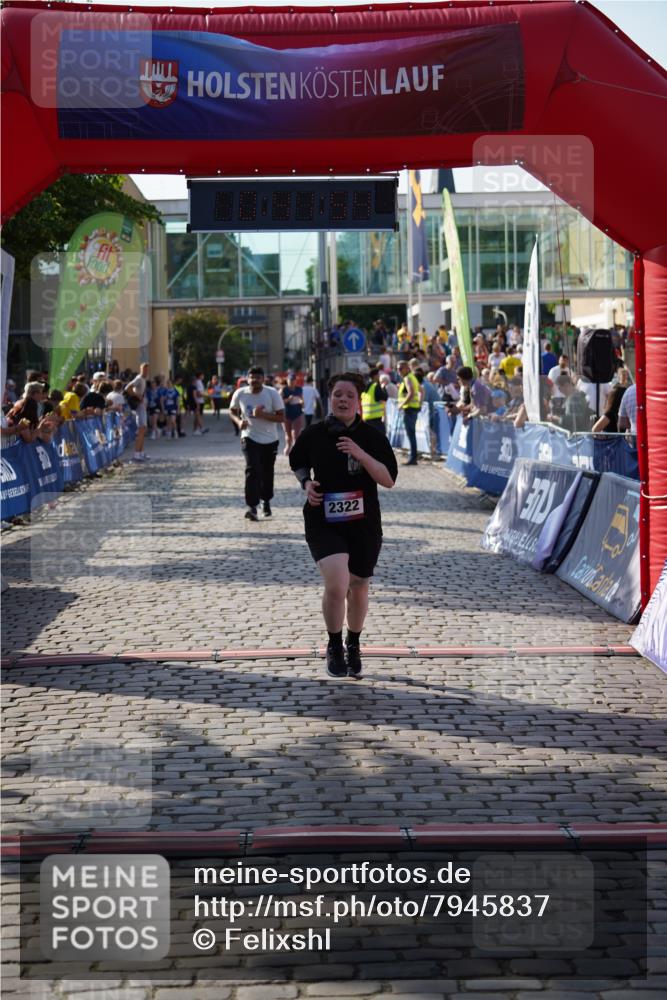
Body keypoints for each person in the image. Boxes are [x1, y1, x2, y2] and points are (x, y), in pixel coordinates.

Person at [289, 372, 398, 680]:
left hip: (364, 524)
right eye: (338, 394)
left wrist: (360, 454)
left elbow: (388, 479)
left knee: (359, 586)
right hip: (323, 520)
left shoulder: (372, 437)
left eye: (350, 395)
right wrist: (306, 483)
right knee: (337, 584)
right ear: (330, 397)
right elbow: (297, 461)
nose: (343, 400)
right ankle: (334, 645)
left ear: (358, 400)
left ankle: (354, 643)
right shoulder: (314, 433)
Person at [229, 366, 285, 521]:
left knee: (267, 472)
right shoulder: (240, 393)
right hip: (249, 437)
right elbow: (232, 410)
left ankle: (266, 500)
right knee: (252, 470)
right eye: (252, 377)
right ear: (247, 379)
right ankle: (252, 507)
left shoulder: (272, 393)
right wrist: (238, 422)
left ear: (263, 379)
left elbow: (281, 417)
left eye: (258, 377)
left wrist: (262, 415)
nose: (255, 380)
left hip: (270, 440)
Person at [397, 360, 422, 465]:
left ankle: (413, 458)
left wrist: (402, 404)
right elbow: (421, 391)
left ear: (407, 368)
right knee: (412, 434)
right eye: (397, 369)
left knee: (411, 434)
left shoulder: (407, 378)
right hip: (413, 408)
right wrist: (419, 404)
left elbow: (411, 393)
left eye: (400, 369)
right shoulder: (412, 377)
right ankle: (413, 457)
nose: (398, 371)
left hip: (409, 409)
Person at [125, 362, 150, 462]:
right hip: (138, 407)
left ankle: (141, 453)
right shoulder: (139, 378)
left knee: (143, 429)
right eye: (144, 369)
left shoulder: (143, 379)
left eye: (147, 370)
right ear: (141, 369)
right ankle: (136, 454)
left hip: (142, 406)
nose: (146, 371)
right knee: (141, 430)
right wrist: (137, 396)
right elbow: (127, 387)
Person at [281, 373, 305, 453]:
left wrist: (302, 402)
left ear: (295, 381)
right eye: (290, 380)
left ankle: (295, 450)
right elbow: (279, 403)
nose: (292, 382)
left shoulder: (299, 389)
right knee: (288, 435)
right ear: (287, 380)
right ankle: (288, 445)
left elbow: (302, 400)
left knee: (296, 434)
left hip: (297, 414)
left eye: (293, 380)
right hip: (286, 414)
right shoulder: (283, 390)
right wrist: (288, 399)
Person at [360, 367, 388, 434]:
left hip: (366, 418)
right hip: (375, 419)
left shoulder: (365, 387)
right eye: (378, 375)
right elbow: (384, 397)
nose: (379, 376)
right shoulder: (375, 386)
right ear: (375, 376)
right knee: (381, 437)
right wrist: (383, 387)